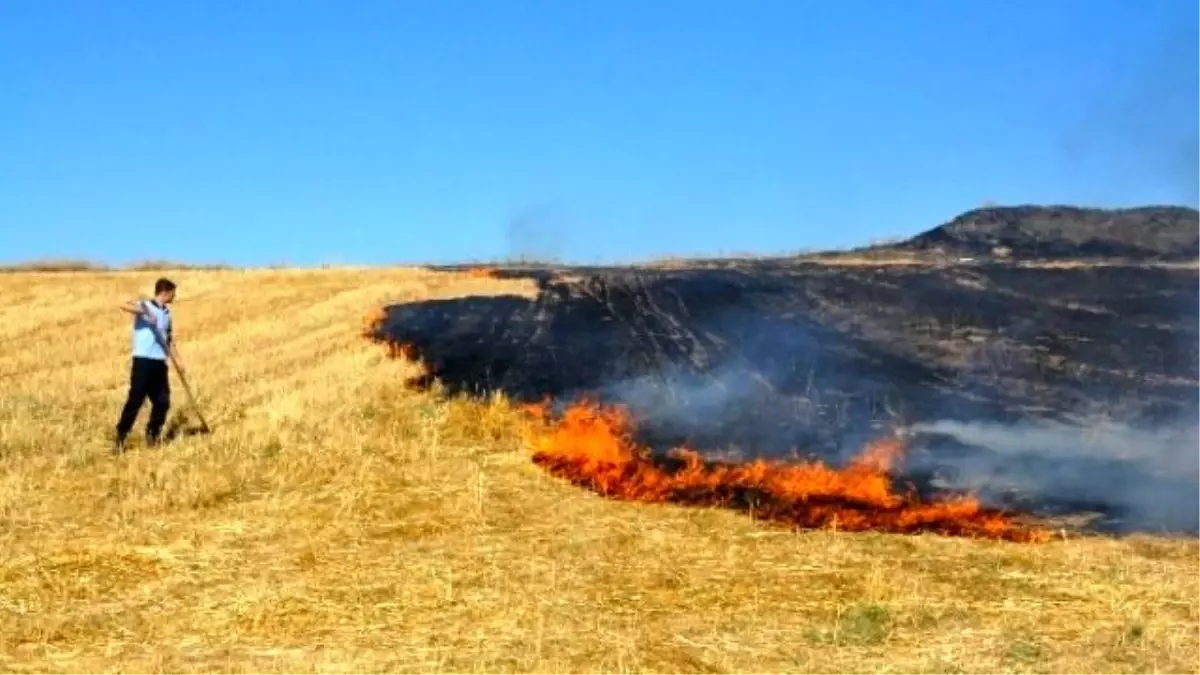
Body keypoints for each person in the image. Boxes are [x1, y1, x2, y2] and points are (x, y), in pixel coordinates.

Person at [113, 277, 187, 452]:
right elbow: (123, 304)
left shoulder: (167, 314)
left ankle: (152, 434)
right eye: (172, 294)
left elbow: (169, 340)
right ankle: (121, 436)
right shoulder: (145, 306)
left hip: (159, 363)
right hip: (143, 362)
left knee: (163, 402)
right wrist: (143, 312)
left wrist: (178, 360)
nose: (174, 297)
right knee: (135, 401)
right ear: (165, 293)